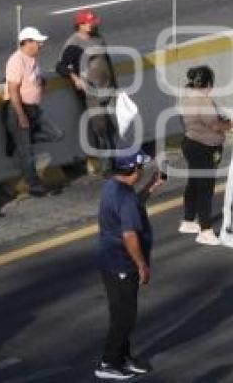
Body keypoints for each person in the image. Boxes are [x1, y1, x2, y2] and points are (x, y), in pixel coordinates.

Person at [95, 150, 164, 380]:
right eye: (140, 168)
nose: (142, 171)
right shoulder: (123, 196)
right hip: (122, 263)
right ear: (132, 170)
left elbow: (134, 206)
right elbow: (129, 235)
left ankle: (122, 357)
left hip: (110, 260)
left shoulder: (114, 187)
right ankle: (108, 362)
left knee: (121, 312)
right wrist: (141, 265)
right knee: (124, 316)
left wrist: (151, 188)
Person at [4, 27, 64, 197]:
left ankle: (19, 141)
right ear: (27, 42)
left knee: (56, 134)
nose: (41, 45)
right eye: (38, 42)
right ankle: (34, 185)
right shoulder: (17, 60)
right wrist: (21, 115)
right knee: (28, 154)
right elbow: (13, 90)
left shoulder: (32, 59)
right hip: (20, 109)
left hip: (34, 108)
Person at [56, 9, 118, 172]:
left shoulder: (99, 38)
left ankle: (115, 159)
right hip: (91, 93)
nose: (92, 26)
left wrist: (115, 86)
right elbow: (60, 66)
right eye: (88, 23)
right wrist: (75, 79)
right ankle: (106, 164)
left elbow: (107, 62)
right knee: (99, 127)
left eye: (93, 23)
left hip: (108, 88)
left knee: (112, 125)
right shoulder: (73, 44)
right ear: (80, 25)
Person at [179, 65, 232, 246]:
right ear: (208, 83)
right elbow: (215, 125)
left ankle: (188, 220)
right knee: (205, 189)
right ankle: (206, 230)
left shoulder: (187, 99)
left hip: (190, 144)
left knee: (194, 183)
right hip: (204, 148)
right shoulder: (204, 101)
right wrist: (232, 124)